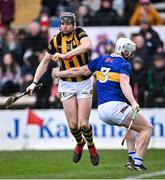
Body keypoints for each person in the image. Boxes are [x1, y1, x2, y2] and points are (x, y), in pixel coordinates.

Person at [52, 37, 153, 170]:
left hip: (102, 111)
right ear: (126, 52)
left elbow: (79, 71)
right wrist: (133, 102)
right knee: (147, 128)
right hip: (116, 107)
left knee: (131, 126)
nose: (131, 55)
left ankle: (131, 155)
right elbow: (125, 84)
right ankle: (137, 162)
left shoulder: (101, 60)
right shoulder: (124, 64)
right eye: (130, 52)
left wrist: (59, 73)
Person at [26, 12, 99, 166]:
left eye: (68, 23)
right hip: (66, 83)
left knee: (83, 124)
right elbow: (45, 62)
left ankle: (91, 145)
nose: (65, 26)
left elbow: (87, 46)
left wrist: (66, 55)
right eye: (63, 23)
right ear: (59, 25)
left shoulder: (79, 33)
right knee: (73, 125)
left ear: (74, 25)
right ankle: (80, 143)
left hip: (84, 81)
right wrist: (33, 82)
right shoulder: (56, 40)